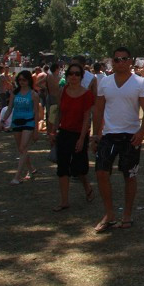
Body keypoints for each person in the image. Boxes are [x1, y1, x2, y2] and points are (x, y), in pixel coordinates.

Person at [92, 47, 144, 232]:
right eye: (117, 59)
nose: (120, 62)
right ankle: (109, 214)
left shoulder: (140, 83)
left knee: (130, 176)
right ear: (112, 61)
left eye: (124, 59)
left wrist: (141, 132)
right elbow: (98, 109)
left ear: (130, 61)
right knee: (101, 172)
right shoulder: (105, 82)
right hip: (109, 134)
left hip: (131, 135)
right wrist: (96, 134)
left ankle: (127, 214)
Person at [51, 62, 95, 211]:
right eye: (71, 74)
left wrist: (82, 139)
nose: (74, 76)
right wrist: (53, 131)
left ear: (81, 77)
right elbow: (59, 113)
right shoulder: (62, 91)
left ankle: (87, 187)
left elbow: (86, 118)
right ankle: (64, 201)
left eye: (77, 74)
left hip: (79, 134)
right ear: (67, 76)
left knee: (79, 168)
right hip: (64, 132)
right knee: (62, 167)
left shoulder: (87, 94)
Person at [0, 70, 43, 185]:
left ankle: (17, 176)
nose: (22, 82)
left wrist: (36, 130)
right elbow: (9, 108)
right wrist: (2, 120)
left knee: (23, 147)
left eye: (24, 80)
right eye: (20, 80)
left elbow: (36, 113)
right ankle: (31, 169)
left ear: (29, 80)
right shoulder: (15, 92)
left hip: (28, 122)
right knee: (21, 149)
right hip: (16, 122)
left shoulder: (34, 94)